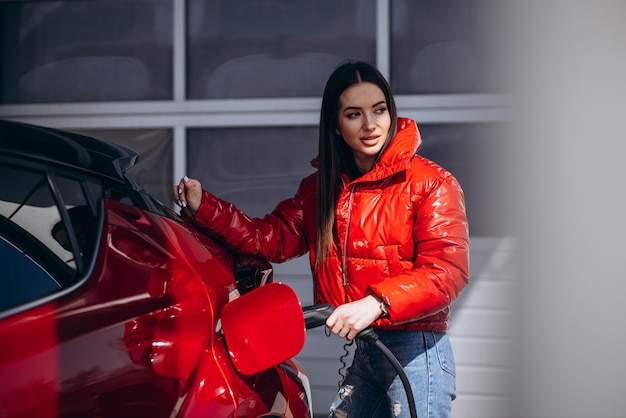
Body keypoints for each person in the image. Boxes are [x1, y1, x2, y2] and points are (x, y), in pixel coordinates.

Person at [173, 61, 469, 418]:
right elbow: (270, 239)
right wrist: (204, 205)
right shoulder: (322, 189)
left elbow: (446, 271)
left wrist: (376, 303)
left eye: (379, 110)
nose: (370, 124)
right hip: (369, 350)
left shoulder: (429, 182)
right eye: (354, 114)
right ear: (335, 124)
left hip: (417, 353)